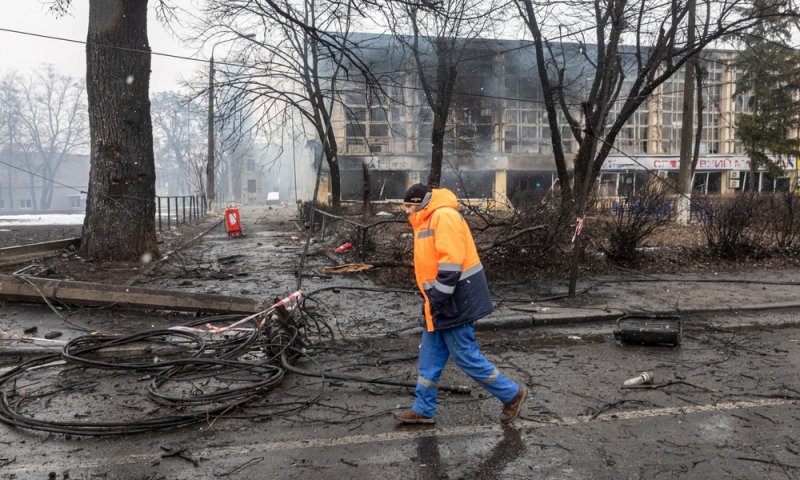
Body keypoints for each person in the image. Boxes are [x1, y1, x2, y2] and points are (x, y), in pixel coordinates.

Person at [393, 183, 527, 425]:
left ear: (420, 202)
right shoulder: (428, 220)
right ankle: (423, 408)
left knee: (465, 356)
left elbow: (450, 265)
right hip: (440, 302)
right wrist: (433, 302)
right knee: (429, 359)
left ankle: (512, 394)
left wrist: (437, 299)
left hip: (453, 301)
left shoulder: (443, 217)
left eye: (409, 206)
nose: (406, 211)